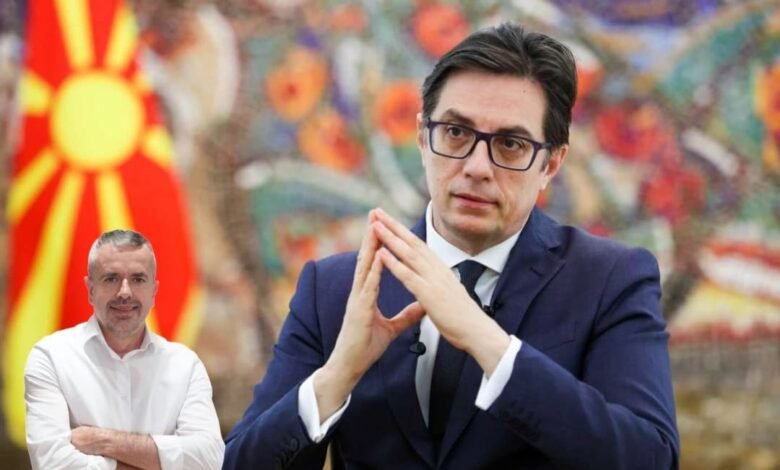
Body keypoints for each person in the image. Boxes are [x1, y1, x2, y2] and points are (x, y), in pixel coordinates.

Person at [224, 23, 679, 469]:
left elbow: (651, 457)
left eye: (511, 144)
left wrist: (488, 342)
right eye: (456, 133)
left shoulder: (609, 280)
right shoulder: (335, 287)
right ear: (423, 138)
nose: (477, 167)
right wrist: (337, 377)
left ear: (551, 164)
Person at [24, 229, 224, 469]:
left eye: (138, 279)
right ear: (90, 290)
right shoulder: (51, 357)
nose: (125, 292)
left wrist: (103, 441)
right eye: (111, 279)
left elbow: (209, 460)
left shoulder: (185, 365)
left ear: (154, 290)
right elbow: (52, 464)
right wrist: (157, 462)